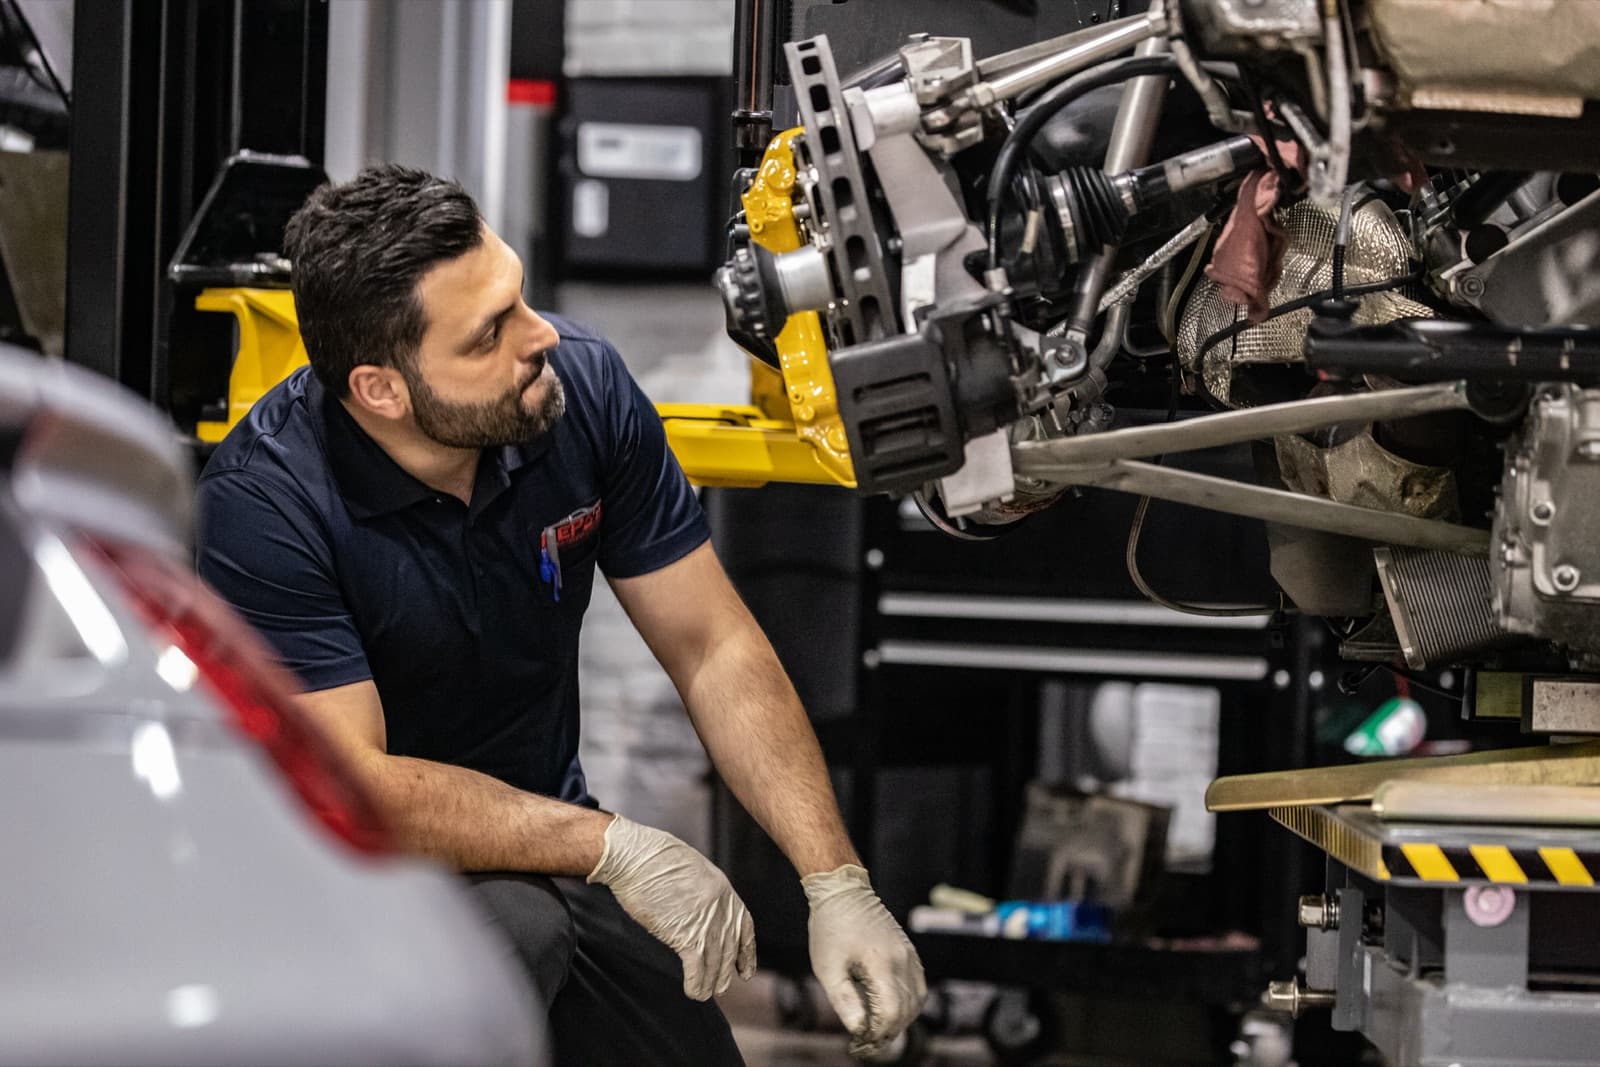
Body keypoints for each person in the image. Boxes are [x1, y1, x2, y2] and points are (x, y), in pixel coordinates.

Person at [195, 164, 925, 1064]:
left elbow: (711, 645)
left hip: (548, 848)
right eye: (488, 333)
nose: (537, 335)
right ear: (382, 389)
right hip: (349, 882)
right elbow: (352, 784)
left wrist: (835, 880)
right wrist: (613, 846)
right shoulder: (265, 505)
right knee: (512, 934)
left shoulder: (577, 390)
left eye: (518, 296)